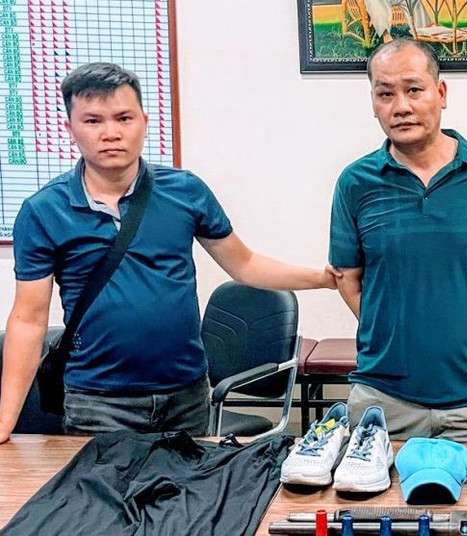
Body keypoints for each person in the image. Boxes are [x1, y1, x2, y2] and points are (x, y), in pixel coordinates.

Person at [0, 62, 339, 443]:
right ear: (70, 128)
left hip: (186, 396)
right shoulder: (44, 211)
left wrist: (322, 279)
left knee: (193, 484)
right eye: (93, 121)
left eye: (123, 118)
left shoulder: (185, 191)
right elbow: (28, 319)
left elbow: (244, 264)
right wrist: (4, 422)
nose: (111, 133)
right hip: (99, 402)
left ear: (143, 122)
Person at [330, 39, 467, 441]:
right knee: (374, 488)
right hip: (382, 400)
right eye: (386, 94)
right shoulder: (355, 182)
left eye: (414, 89)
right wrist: (391, 333)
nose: (401, 106)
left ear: (441, 93)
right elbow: (347, 278)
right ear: (373, 102)